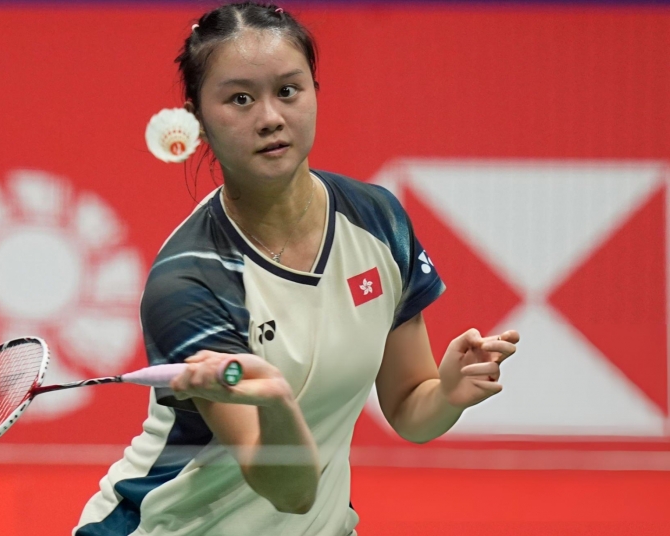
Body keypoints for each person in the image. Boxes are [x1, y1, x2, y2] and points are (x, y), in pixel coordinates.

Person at [74, 3, 520, 535]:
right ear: (197, 120)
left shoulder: (376, 220)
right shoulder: (191, 281)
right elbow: (290, 491)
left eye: (288, 90)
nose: (270, 117)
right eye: (240, 99)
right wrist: (276, 399)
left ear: (314, 91)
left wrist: (446, 395)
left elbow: (407, 407)